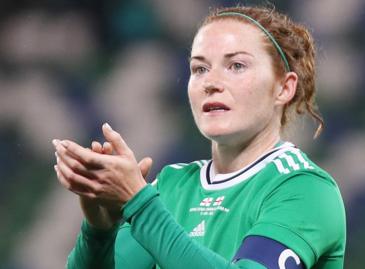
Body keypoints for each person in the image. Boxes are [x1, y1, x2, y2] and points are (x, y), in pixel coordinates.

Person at [52, 5, 346, 269]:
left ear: (284, 88)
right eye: (199, 68)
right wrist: (99, 230)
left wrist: (139, 203)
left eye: (237, 66)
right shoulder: (170, 187)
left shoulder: (304, 189)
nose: (211, 82)